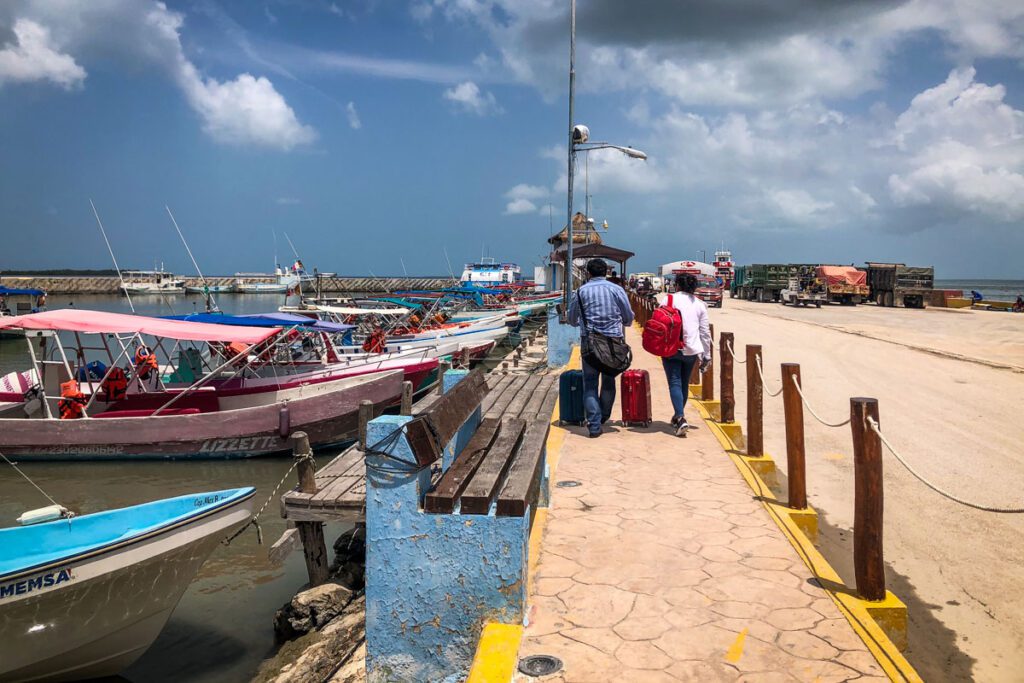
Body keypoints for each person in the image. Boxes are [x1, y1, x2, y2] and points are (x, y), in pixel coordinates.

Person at [568, 259, 634, 438]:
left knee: (589, 383)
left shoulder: (581, 291)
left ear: (588, 273)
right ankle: (604, 415)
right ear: (605, 272)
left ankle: (594, 425)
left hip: (589, 344)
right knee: (608, 379)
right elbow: (628, 316)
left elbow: (572, 319)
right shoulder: (616, 289)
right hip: (613, 343)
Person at [658, 273, 712, 437]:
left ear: (677, 285)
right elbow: (705, 332)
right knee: (684, 383)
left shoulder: (667, 300)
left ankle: (680, 417)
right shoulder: (700, 305)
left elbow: (659, 323)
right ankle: (677, 416)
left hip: (671, 348)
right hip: (691, 350)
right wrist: (707, 355)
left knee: (674, 381)